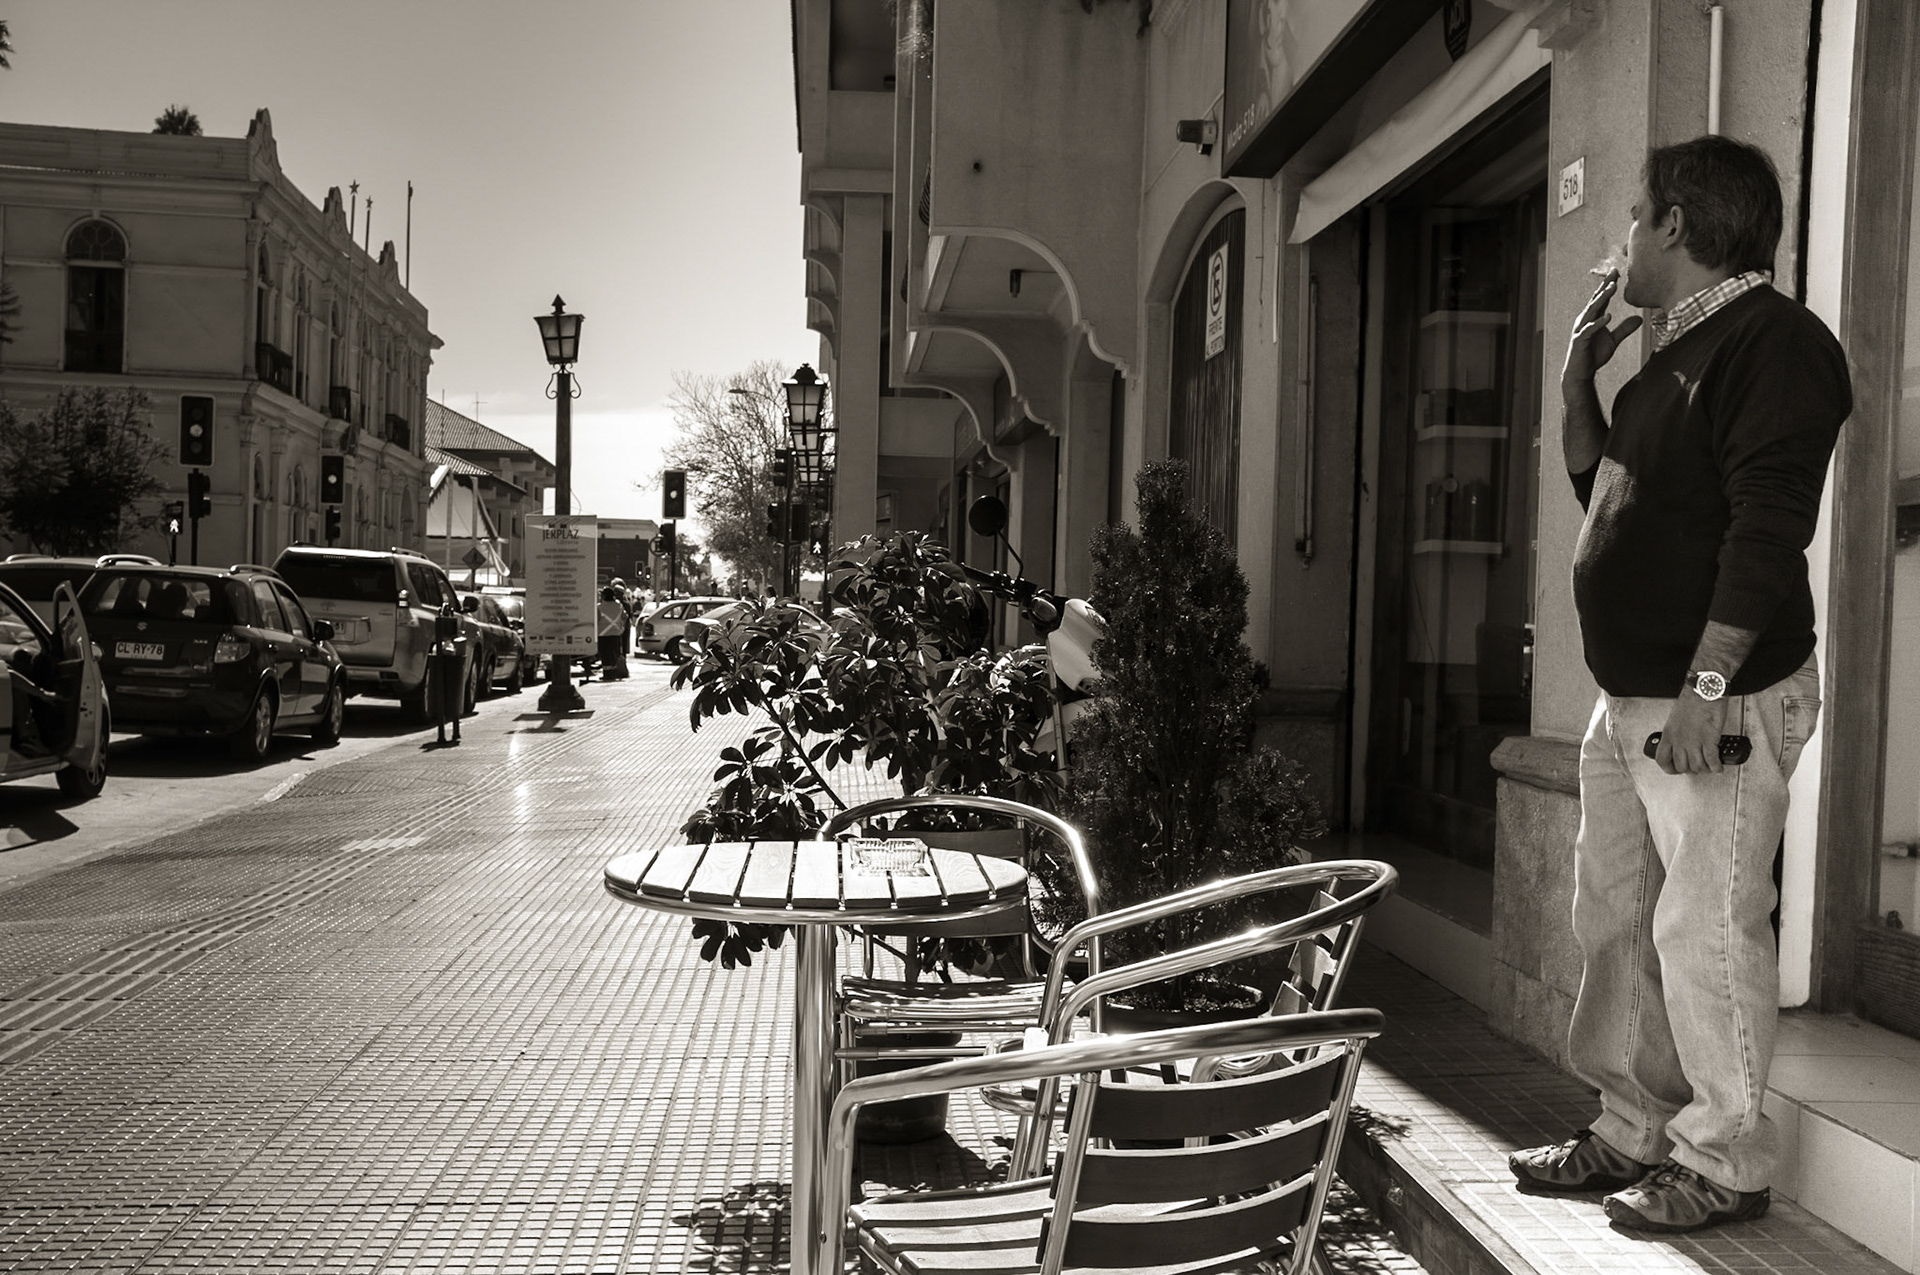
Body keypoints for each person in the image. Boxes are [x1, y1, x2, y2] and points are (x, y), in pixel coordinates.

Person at [1507, 136, 1851, 1234]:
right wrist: (1577, 382)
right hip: (1636, 699)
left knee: (1704, 927)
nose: (1618, 237)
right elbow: (1605, 497)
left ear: (1673, 225)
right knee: (1616, 918)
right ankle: (1630, 1128)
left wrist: (1708, 688)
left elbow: (1768, 533)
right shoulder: (1668, 357)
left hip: (1720, 699)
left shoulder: (1774, 343)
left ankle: (1726, 1162)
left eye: (1631, 214)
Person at [595, 585, 629, 681]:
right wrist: (621, 627)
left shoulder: (599, 607)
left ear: (604, 596)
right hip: (616, 635)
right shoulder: (619, 606)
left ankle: (607, 674)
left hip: (603, 635)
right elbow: (625, 617)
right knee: (614, 654)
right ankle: (614, 673)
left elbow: (596, 620)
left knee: (605, 655)